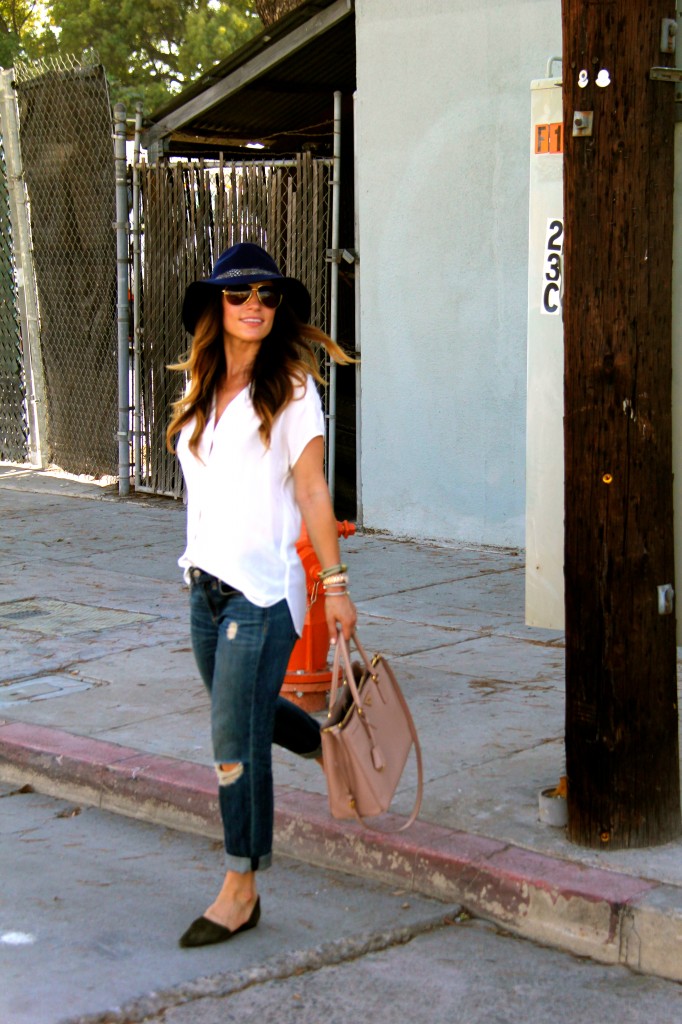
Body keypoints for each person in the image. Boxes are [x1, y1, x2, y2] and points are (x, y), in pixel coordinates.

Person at [166, 242, 357, 949]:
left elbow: (312, 490)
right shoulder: (202, 386)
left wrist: (333, 586)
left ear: (280, 308)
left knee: (234, 738)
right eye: (240, 294)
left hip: (263, 592)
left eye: (267, 296)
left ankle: (240, 887)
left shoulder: (294, 390)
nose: (254, 306)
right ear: (217, 303)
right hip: (205, 587)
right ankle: (325, 745)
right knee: (242, 712)